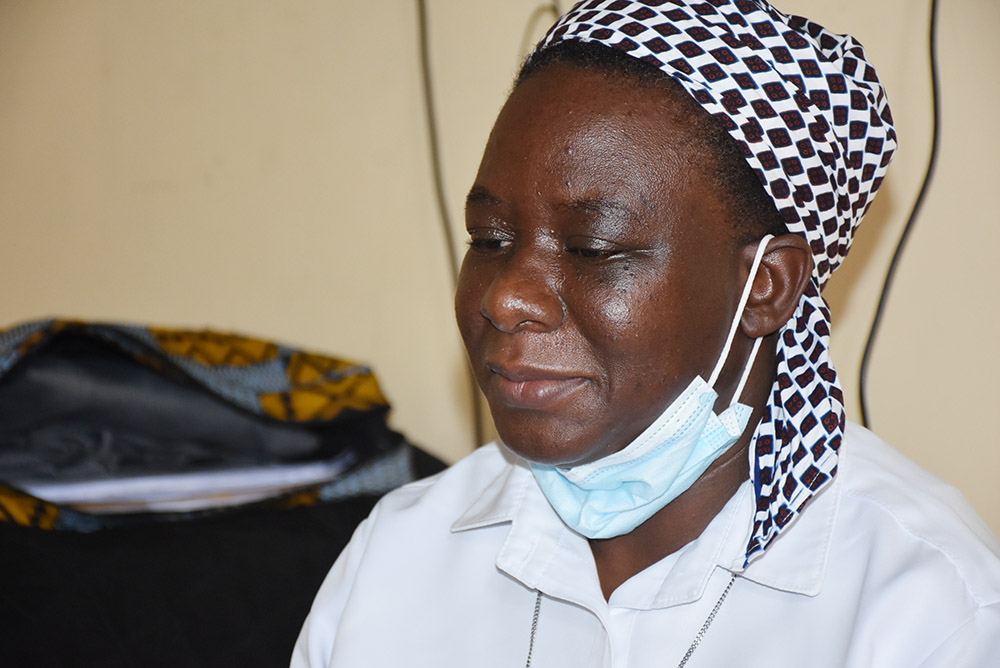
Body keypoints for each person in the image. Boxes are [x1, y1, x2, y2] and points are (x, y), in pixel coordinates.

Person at [291, 1, 1000, 666]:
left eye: (594, 248)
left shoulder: (926, 611)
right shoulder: (396, 561)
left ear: (767, 286)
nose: (507, 297)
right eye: (490, 237)